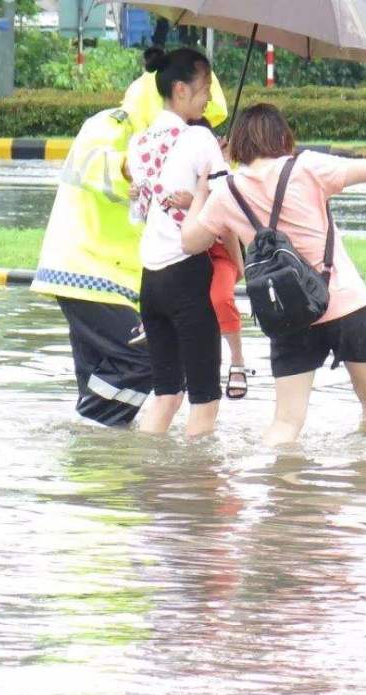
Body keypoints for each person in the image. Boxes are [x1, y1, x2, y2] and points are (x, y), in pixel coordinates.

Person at [181, 104, 366, 446]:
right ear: (281, 135)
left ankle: (276, 489)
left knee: (286, 423)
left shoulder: (227, 193)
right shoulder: (306, 167)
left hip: (287, 317)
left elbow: (191, 242)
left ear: (241, 143)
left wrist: (202, 189)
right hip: (345, 304)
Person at [29, 51, 228, 428]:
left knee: (102, 375)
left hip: (126, 278)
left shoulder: (180, 143)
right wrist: (133, 165)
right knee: (147, 355)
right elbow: (94, 168)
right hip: (88, 271)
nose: (197, 121)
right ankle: (95, 431)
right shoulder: (113, 126)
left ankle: (98, 463)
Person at [127, 48, 239, 437]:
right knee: (204, 403)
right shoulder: (198, 139)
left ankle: (148, 482)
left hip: (150, 281)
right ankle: (196, 493)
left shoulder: (138, 144)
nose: (209, 96)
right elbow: (228, 207)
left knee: (167, 396)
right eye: (205, 87)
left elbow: (140, 212)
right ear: (180, 89)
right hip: (189, 278)